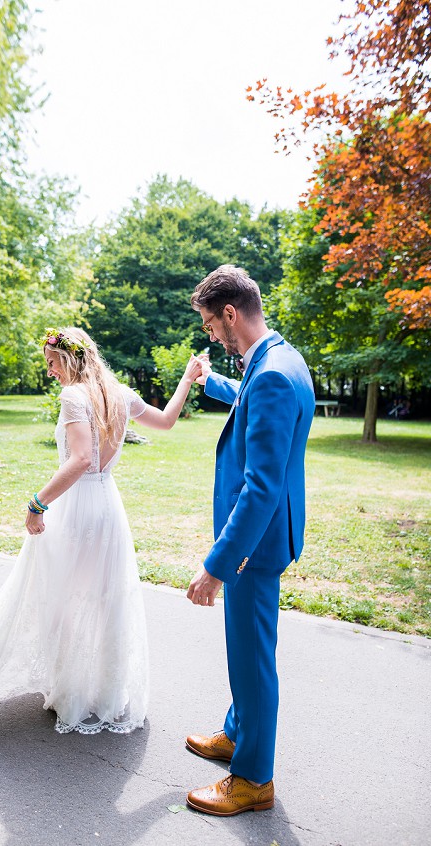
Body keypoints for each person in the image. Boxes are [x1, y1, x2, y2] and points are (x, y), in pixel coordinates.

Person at [0, 327, 202, 734]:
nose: (49, 372)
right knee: (101, 598)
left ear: (69, 359)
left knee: (60, 597)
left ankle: (72, 692)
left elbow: (80, 459)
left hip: (76, 508)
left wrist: (37, 502)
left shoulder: (74, 396)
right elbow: (167, 421)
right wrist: (186, 379)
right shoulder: (118, 392)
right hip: (108, 507)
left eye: (51, 362)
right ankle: (100, 690)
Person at [182, 265, 314, 816]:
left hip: (252, 548)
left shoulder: (272, 375)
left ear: (231, 314)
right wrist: (211, 382)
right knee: (246, 651)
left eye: (213, 324)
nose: (213, 335)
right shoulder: (276, 359)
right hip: (260, 541)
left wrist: (217, 565)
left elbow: (260, 487)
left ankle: (254, 776)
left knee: (252, 658)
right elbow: (252, 400)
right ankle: (238, 732)